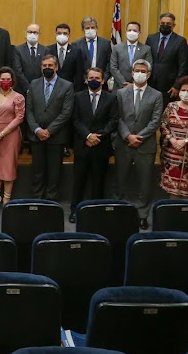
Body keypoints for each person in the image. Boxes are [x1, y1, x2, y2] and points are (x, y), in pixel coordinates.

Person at [113, 59, 164, 229]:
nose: (139, 73)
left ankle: (142, 215)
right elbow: (117, 118)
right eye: (137, 70)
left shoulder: (156, 95)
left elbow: (155, 120)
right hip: (124, 143)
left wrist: (138, 137)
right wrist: (128, 136)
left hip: (145, 145)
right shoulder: (121, 93)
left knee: (145, 183)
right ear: (132, 72)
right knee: (121, 180)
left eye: (143, 71)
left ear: (148, 74)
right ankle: (119, 212)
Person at [69, 67, 119, 222]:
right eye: (91, 78)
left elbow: (113, 121)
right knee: (79, 181)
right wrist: (88, 136)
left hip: (101, 146)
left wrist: (99, 136)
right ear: (85, 80)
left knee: (98, 182)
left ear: (103, 81)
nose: (94, 80)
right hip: (82, 146)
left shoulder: (111, 98)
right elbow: (75, 120)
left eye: (97, 78)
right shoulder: (77, 97)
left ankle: (96, 211)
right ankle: (75, 211)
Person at [25, 54, 73, 201]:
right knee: (38, 172)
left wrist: (49, 131)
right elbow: (29, 110)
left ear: (56, 67)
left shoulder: (67, 86)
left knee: (54, 173)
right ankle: (37, 201)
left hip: (56, 137)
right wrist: (37, 130)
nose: (47, 68)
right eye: (44, 66)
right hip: (36, 136)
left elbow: (66, 112)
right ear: (41, 67)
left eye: (50, 66)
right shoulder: (34, 84)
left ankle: (50, 203)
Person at [0, 67, 25, 211]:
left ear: (12, 81)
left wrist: (3, 133)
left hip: (11, 135)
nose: (5, 81)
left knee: (8, 167)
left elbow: (19, 117)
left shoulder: (18, 97)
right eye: (3, 79)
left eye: (8, 79)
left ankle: (7, 199)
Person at [146, 12, 188, 105]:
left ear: (173, 25)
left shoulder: (180, 41)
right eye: (162, 23)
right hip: (151, 83)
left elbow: (183, 66)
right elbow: (146, 59)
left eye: (168, 24)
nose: (165, 25)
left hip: (169, 86)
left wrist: (177, 86)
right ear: (159, 24)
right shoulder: (151, 38)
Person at [110, 21, 152, 90]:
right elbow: (113, 68)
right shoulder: (117, 48)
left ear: (139, 33)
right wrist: (123, 83)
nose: (132, 32)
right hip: (119, 87)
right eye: (129, 30)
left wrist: (135, 84)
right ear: (126, 32)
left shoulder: (146, 49)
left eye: (135, 30)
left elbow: (148, 67)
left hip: (138, 86)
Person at [72, 17, 112, 83]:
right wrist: (84, 78)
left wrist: (104, 78)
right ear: (83, 30)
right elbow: (76, 65)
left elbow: (109, 62)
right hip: (83, 83)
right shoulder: (76, 44)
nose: (90, 30)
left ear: (97, 28)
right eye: (87, 28)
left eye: (93, 27)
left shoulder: (105, 43)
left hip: (102, 82)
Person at [12, 24, 47, 96]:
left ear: (39, 34)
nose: (32, 34)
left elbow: (45, 70)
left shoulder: (45, 50)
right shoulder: (18, 50)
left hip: (40, 90)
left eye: (35, 32)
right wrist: (27, 88)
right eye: (30, 32)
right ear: (26, 33)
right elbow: (18, 71)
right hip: (22, 90)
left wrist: (38, 87)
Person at [46, 24, 84, 89]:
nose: (62, 35)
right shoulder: (48, 50)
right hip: (52, 88)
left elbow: (79, 74)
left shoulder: (76, 51)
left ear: (69, 35)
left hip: (70, 89)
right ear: (55, 34)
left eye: (65, 33)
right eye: (59, 33)